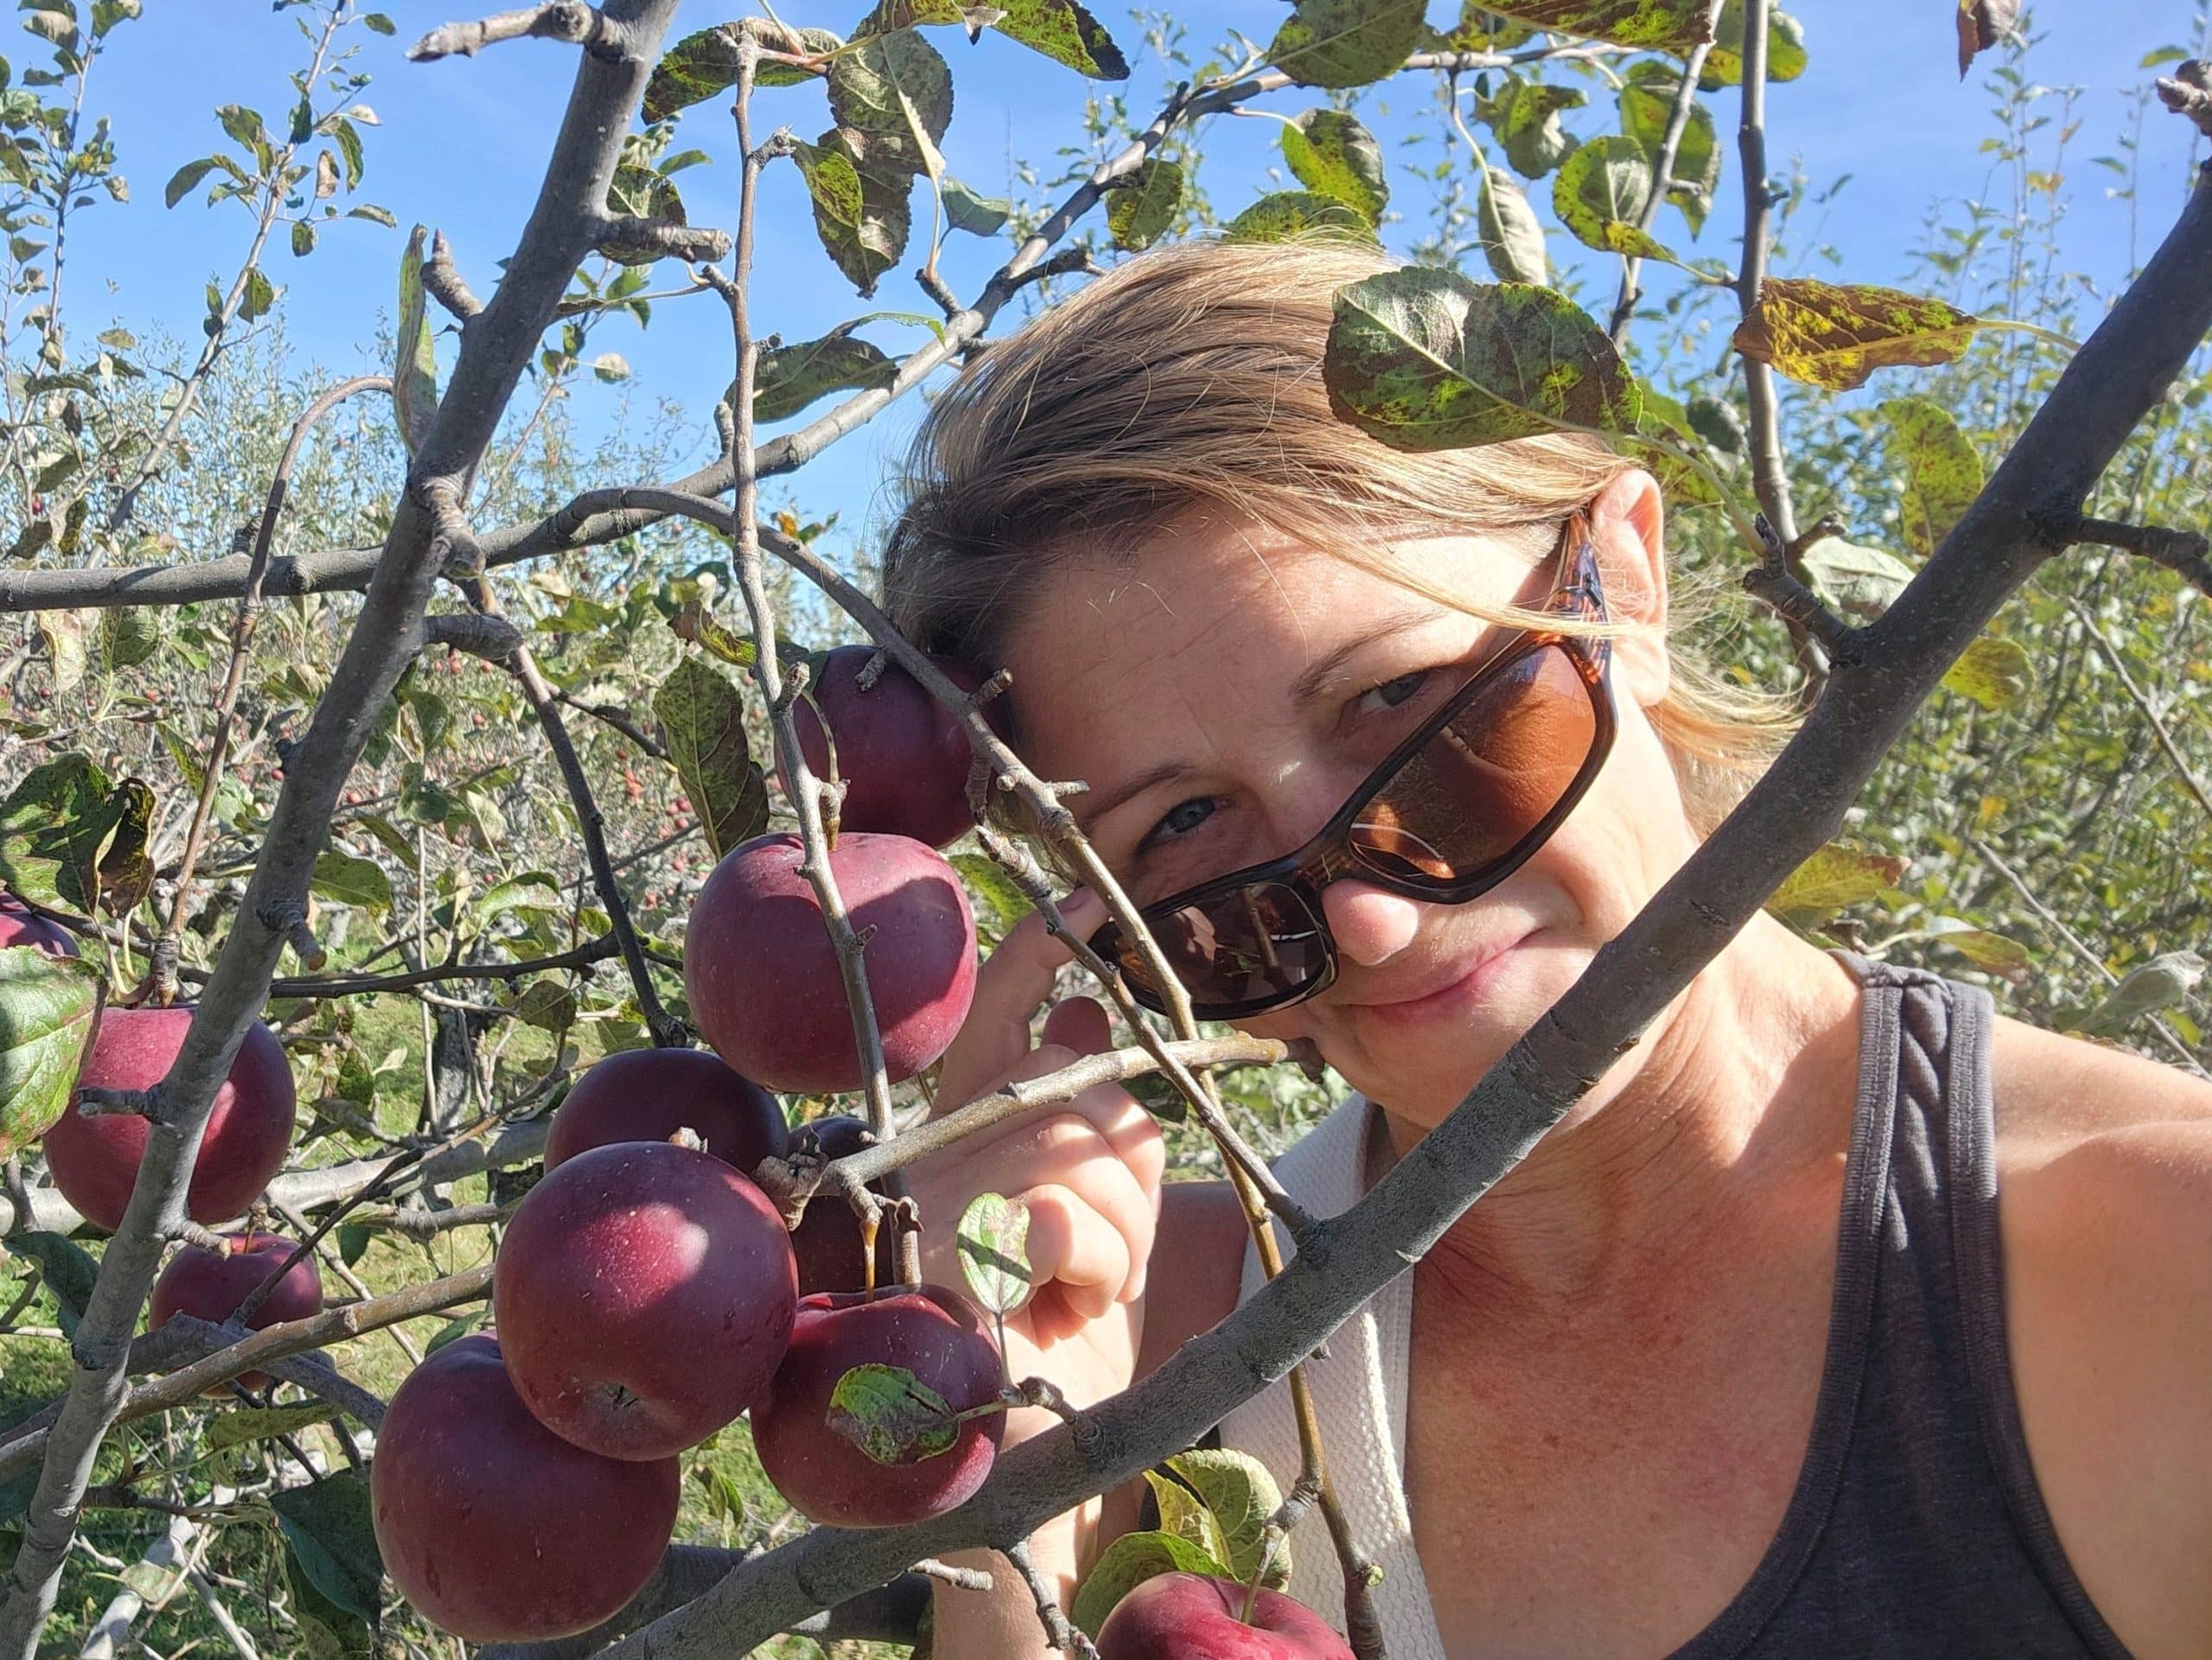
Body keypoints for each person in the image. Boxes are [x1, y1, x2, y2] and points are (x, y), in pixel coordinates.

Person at [878, 235, 2212, 1658]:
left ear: (1622, 574)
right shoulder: (1161, 1347)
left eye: (1407, 700)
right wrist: (1016, 1465)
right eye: (1190, 824)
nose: (1369, 917)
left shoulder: (2150, 1274)